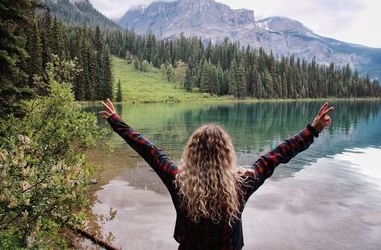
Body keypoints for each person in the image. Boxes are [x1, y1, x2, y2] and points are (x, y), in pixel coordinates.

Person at [100, 99, 334, 250]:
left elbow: (149, 150)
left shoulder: (177, 179)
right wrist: (312, 130)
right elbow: (278, 155)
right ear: (227, 154)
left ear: (192, 153)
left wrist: (116, 121)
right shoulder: (242, 182)